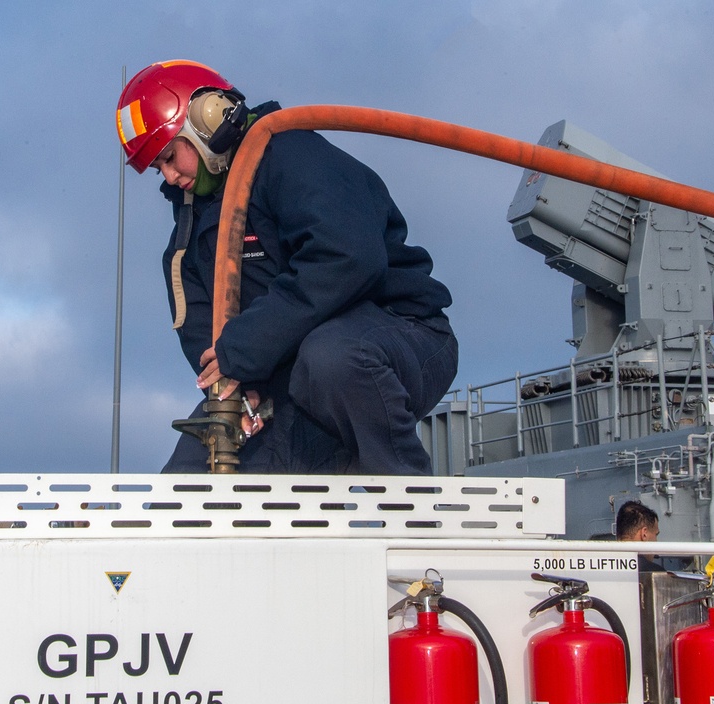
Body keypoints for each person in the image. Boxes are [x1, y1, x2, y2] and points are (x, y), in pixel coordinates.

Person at [116, 60, 458, 474]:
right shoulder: (191, 232)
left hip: (399, 334)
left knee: (331, 359)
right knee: (193, 476)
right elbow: (205, 327)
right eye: (159, 168)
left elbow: (346, 257)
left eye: (170, 157)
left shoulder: (292, 156)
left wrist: (245, 349)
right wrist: (239, 387)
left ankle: (409, 499)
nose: (169, 177)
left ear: (207, 119)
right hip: (289, 371)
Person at [616, 500, 664, 572]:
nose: (656, 541)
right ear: (644, 534)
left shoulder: (601, 565)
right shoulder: (655, 572)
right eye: (656, 535)